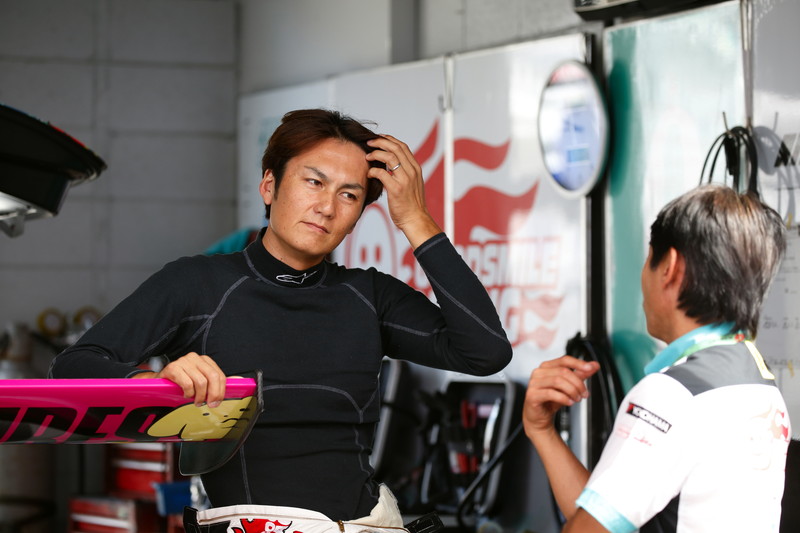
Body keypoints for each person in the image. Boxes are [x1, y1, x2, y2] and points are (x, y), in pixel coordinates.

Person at [49, 109, 512, 532]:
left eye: (348, 195)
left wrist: (415, 218)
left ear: (356, 217)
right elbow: (72, 366)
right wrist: (152, 382)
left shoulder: (370, 296)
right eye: (314, 182)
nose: (327, 207)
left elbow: (485, 351)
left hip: (366, 524)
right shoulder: (196, 284)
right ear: (269, 186)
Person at [523, 184, 791, 532]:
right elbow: (608, 514)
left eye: (649, 258)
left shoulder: (674, 394)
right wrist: (543, 431)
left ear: (670, 268)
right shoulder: (759, 383)